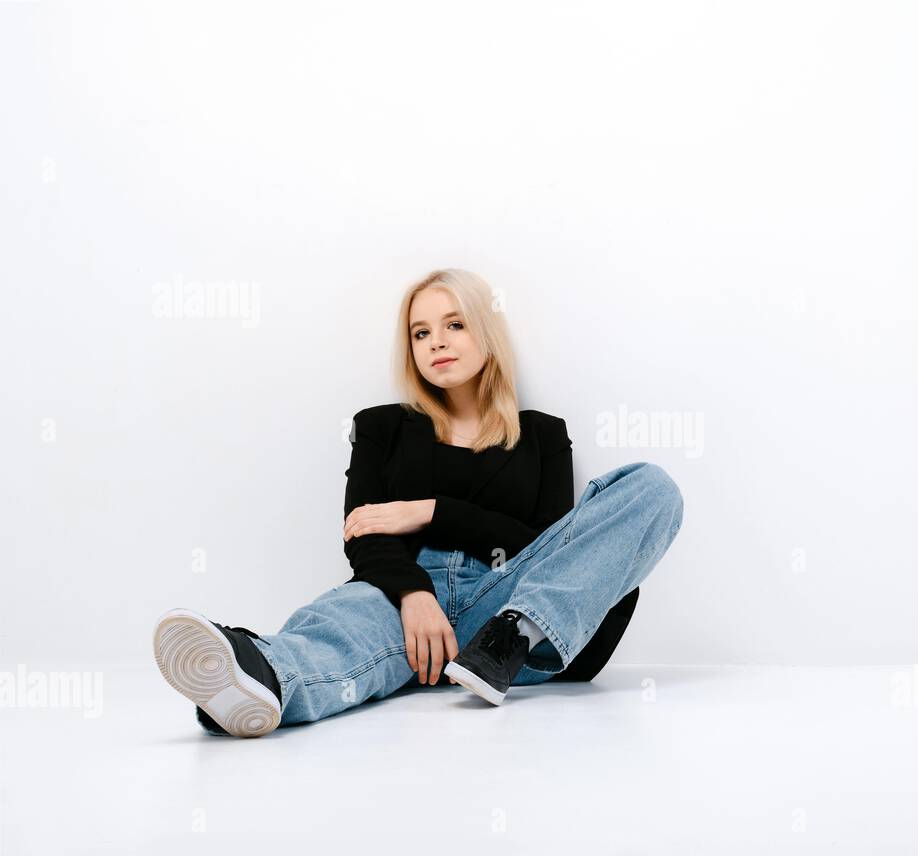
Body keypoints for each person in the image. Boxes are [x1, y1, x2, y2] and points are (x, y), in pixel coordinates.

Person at [152, 268, 684, 737]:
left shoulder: (542, 435)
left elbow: (546, 550)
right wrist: (414, 594)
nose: (436, 342)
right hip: (404, 604)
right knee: (342, 624)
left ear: (486, 332)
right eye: (420, 333)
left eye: (455, 324)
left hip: (514, 603)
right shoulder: (381, 427)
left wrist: (430, 511)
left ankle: (508, 640)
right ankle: (257, 678)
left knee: (652, 486)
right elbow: (364, 532)